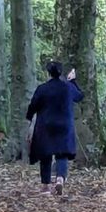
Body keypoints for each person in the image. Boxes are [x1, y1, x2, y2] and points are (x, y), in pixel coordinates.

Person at [26, 61, 83, 195]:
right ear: (61, 72)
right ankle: (60, 179)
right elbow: (79, 96)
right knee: (61, 154)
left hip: (45, 125)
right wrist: (73, 81)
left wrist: (28, 118)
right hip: (64, 125)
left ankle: (46, 187)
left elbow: (33, 105)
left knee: (45, 155)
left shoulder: (42, 88)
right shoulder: (68, 87)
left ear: (48, 72)